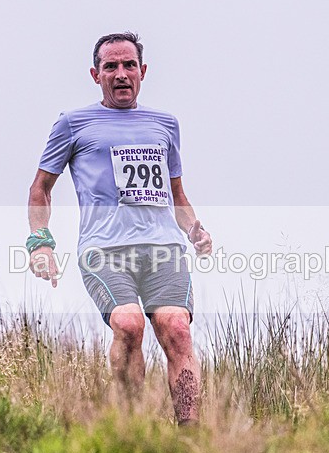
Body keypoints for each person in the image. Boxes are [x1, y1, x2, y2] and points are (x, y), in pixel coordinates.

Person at [26, 32, 212, 426]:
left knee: (177, 329)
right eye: (111, 66)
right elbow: (40, 188)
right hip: (104, 250)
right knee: (128, 324)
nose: (121, 73)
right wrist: (40, 242)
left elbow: (176, 193)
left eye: (129, 65)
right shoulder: (73, 124)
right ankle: (131, 427)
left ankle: (190, 437)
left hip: (163, 248)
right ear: (96, 75)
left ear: (142, 71)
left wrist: (195, 229)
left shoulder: (165, 124)